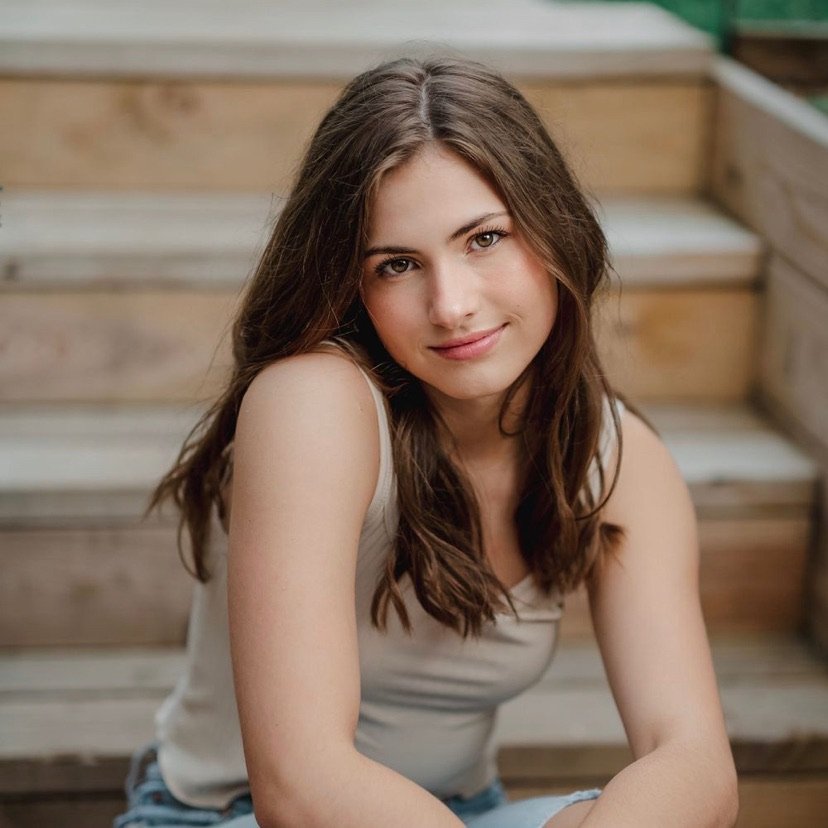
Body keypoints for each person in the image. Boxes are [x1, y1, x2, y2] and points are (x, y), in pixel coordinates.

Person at [114, 56, 738, 828]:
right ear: (351, 285)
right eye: (398, 265)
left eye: (485, 238)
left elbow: (693, 760)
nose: (450, 305)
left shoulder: (618, 457)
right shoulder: (313, 403)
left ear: (555, 229)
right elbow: (301, 788)